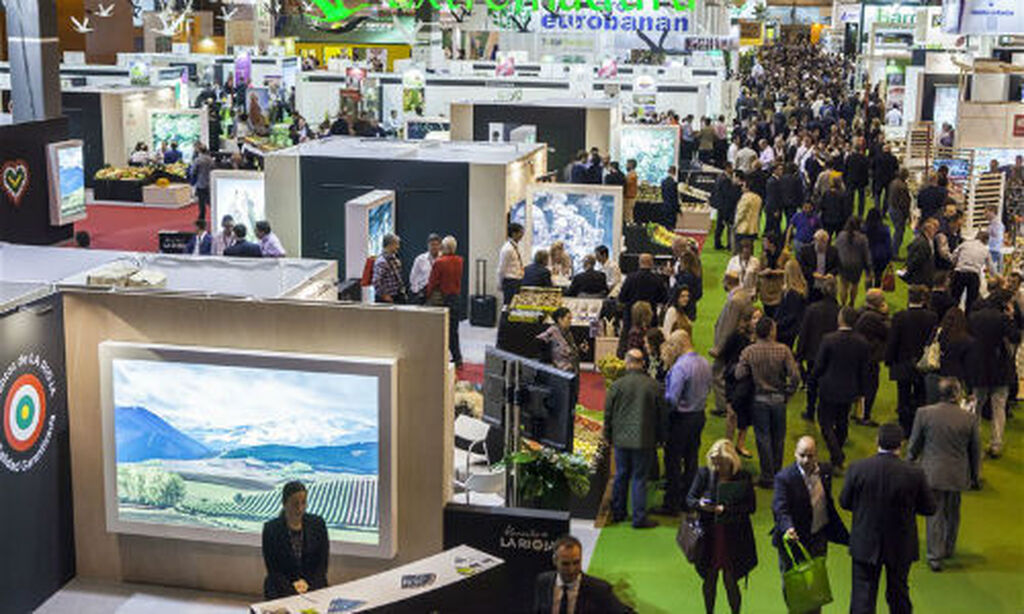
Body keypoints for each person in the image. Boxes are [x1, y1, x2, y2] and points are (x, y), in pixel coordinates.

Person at [840, 423, 937, 614]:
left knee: (863, 597)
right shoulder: (914, 473)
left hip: (865, 542)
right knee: (898, 594)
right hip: (900, 544)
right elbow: (929, 508)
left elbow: (845, 502)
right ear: (901, 444)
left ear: (877, 441)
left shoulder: (858, 468)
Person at [908, 377, 981, 573]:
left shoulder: (924, 413)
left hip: (932, 473)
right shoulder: (969, 418)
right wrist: (975, 476)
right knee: (953, 512)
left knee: (934, 514)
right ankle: (949, 548)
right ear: (957, 394)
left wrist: (909, 462)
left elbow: (914, 444)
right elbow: (975, 451)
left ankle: (935, 555)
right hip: (957, 473)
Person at [772, 436, 849, 614]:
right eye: (802, 455)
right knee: (794, 589)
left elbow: (827, 502)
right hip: (794, 541)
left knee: (816, 587)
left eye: (810, 455)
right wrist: (788, 528)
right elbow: (780, 508)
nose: (806, 460)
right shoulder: (784, 478)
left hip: (818, 537)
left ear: (817, 455)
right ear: (795, 454)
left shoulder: (825, 471)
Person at [686, 439, 757, 614]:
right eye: (715, 463)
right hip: (709, 536)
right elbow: (690, 499)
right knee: (709, 578)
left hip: (733, 536)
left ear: (732, 461)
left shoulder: (743, 477)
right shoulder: (704, 473)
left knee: (730, 580)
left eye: (722, 464)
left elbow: (750, 507)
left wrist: (726, 509)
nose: (717, 468)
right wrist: (701, 504)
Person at [651, 330, 712, 517]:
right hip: (699, 415)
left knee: (673, 460)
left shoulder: (680, 367)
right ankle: (688, 499)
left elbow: (672, 399)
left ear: (678, 345)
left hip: (681, 419)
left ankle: (671, 503)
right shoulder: (704, 363)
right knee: (691, 458)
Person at [736, 316, 801, 487]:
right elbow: (795, 376)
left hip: (759, 399)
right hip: (779, 399)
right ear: (772, 331)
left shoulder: (749, 351)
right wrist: (789, 393)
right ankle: (777, 472)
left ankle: (767, 475)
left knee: (763, 438)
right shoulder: (784, 350)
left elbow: (739, 374)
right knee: (778, 438)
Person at [605, 349, 664, 529]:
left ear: (627, 362)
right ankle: (639, 517)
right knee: (639, 478)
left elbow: (608, 414)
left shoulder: (617, 385)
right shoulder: (654, 386)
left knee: (621, 474)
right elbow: (662, 415)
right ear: (642, 363)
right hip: (644, 439)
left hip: (621, 439)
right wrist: (661, 437)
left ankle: (618, 512)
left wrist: (607, 435)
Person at [814, 307, 871, 469]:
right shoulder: (862, 342)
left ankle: (837, 454)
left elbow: (819, 365)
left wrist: (813, 380)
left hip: (829, 387)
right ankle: (837, 454)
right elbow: (864, 370)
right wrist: (861, 391)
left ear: (841, 319)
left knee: (825, 422)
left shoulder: (828, 339)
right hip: (850, 388)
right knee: (842, 421)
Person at [966, 290, 1021, 458]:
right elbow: (1016, 337)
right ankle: (996, 444)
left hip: (979, 367)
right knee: (998, 407)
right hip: (1000, 368)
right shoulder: (1003, 318)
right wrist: (1011, 318)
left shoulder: (974, 317)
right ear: (1004, 303)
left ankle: (974, 444)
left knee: (976, 406)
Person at [886, 285, 939, 437]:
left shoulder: (899, 317)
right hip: (923, 363)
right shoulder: (932, 317)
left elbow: (893, 341)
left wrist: (889, 360)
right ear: (923, 299)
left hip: (902, 363)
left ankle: (905, 428)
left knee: (903, 397)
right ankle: (918, 427)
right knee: (920, 396)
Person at [262, 481, 328, 599]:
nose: (300, 508)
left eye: (303, 503)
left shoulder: (318, 524)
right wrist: (293, 591)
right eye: (295, 504)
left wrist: (308, 587)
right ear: (284, 503)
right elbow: (273, 569)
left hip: (313, 585)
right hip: (281, 587)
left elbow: (322, 565)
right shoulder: (271, 529)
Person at [532, 535, 628, 614]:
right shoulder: (543, 582)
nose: (571, 569)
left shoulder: (599, 590)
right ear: (555, 561)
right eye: (565, 564)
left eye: (576, 562)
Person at [796, 276, 840, 422]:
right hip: (832, 356)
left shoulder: (812, 309)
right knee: (829, 385)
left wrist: (799, 355)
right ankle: (826, 414)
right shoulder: (840, 311)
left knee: (812, 383)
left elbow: (804, 333)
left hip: (813, 354)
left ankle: (810, 411)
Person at [711, 272, 754, 417]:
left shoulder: (735, 300)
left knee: (718, 373)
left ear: (727, 282)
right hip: (738, 343)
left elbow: (729, 326)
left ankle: (723, 406)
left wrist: (719, 348)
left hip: (729, 345)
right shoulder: (744, 295)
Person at [720, 307, 760, 458]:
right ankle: (728, 444)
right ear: (747, 320)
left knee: (747, 414)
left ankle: (740, 444)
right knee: (732, 413)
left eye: (759, 318)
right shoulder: (736, 336)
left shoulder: (761, 339)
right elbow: (725, 356)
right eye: (754, 318)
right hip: (734, 380)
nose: (757, 322)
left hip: (750, 382)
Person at [617, 253, 667, 357]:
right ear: (652, 263)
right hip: (650, 319)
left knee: (627, 347)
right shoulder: (657, 279)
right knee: (651, 347)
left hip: (630, 319)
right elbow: (664, 299)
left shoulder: (630, 278)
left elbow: (622, 298)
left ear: (639, 263)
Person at [425, 235, 464, 367]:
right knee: (453, 330)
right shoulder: (460, 260)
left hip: (442, 299)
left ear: (443, 247)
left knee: (439, 330)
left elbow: (432, 282)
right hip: (456, 297)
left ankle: (439, 359)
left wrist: (427, 295)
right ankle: (457, 358)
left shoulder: (439, 262)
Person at [854, 289, 890, 426]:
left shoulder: (859, 311)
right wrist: (886, 314)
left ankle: (858, 412)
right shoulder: (875, 317)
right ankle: (864, 416)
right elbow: (888, 331)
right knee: (870, 387)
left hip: (858, 355)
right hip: (870, 356)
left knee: (860, 385)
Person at [950, 230, 995, 313]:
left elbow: (953, 257)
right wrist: (995, 276)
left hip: (960, 272)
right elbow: (991, 267)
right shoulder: (985, 250)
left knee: (955, 298)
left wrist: (955, 265)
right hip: (973, 275)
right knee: (971, 302)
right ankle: (968, 318)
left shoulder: (965, 244)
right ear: (986, 240)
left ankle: (952, 316)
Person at [835, 216, 872, 306]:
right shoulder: (862, 238)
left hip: (843, 263)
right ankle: (852, 302)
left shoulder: (841, 235)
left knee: (843, 285)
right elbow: (866, 253)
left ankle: (843, 304)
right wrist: (868, 267)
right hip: (857, 265)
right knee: (854, 285)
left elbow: (836, 248)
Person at [537, 307, 584, 375]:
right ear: (560, 319)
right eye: (568, 318)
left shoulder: (568, 332)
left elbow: (571, 350)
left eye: (571, 318)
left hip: (572, 370)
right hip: (560, 372)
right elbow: (538, 340)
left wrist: (580, 348)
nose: (570, 321)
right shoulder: (553, 331)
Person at [797, 229, 839, 301]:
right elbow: (801, 266)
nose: (823, 244)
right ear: (815, 240)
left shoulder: (833, 251)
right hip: (811, 285)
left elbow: (837, 266)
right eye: (821, 241)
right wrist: (812, 273)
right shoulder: (805, 251)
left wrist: (831, 274)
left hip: (826, 285)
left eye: (824, 242)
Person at [775, 259, 807, 349]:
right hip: (790, 329)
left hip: (786, 330)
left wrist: (777, 324)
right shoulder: (799, 290)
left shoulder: (793, 294)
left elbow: (791, 314)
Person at [711, 164, 742, 250]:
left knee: (720, 225)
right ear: (727, 168)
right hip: (725, 206)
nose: (732, 169)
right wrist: (736, 187)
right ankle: (728, 244)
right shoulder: (725, 180)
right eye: (731, 167)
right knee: (727, 226)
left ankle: (718, 243)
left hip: (720, 205)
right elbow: (728, 193)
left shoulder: (720, 177)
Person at [903, 217, 938, 287]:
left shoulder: (928, 240)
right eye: (935, 228)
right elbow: (916, 260)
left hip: (922, 277)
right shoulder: (922, 243)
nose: (936, 231)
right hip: (919, 279)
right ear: (929, 229)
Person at [372, 233, 406, 303]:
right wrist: (384, 295)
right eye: (396, 244)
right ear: (390, 245)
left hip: (396, 296)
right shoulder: (381, 261)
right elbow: (376, 281)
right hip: (386, 299)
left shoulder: (394, 259)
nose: (398, 247)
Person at [409, 233, 442, 304]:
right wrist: (416, 291)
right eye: (432, 245)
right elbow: (413, 277)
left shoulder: (443, 259)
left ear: (440, 246)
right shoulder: (420, 259)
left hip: (439, 293)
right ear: (428, 245)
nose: (434, 247)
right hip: (423, 294)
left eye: (436, 245)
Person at [863, 208, 892, 288]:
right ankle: (876, 290)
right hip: (881, 256)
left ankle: (868, 291)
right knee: (878, 276)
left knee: (868, 275)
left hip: (868, 255)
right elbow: (888, 244)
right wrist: (889, 257)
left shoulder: (864, 229)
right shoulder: (885, 229)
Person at [498, 222, 525, 305]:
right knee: (508, 305)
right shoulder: (507, 249)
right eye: (520, 232)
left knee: (514, 305)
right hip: (510, 281)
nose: (522, 235)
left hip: (516, 281)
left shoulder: (515, 247)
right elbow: (501, 268)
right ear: (514, 233)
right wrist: (500, 283)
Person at [733, 172, 762, 248]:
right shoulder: (758, 198)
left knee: (740, 249)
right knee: (750, 248)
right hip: (754, 228)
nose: (742, 187)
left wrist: (735, 224)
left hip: (743, 228)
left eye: (743, 186)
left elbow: (741, 214)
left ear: (747, 187)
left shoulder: (745, 198)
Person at [672, 249, 702, 320]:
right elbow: (699, 293)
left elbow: (676, 292)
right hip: (691, 308)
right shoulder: (696, 275)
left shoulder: (685, 277)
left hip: (683, 309)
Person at [888, 167, 911, 259]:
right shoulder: (902, 186)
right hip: (898, 211)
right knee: (899, 232)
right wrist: (907, 214)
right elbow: (903, 202)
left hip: (892, 208)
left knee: (897, 231)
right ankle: (894, 253)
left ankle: (893, 250)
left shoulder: (893, 183)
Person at [190, 143, 214, 221]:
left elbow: (192, 171)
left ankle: (201, 218)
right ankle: (215, 214)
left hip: (201, 183)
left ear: (199, 151)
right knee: (210, 201)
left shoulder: (198, 160)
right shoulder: (210, 159)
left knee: (201, 202)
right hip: (209, 183)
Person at [987, 205, 1004, 273]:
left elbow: (997, 238)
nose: (985, 215)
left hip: (994, 249)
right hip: (992, 249)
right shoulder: (992, 224)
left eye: (986, 212)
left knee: (993, 270)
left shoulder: (997, 224)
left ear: (992, 212)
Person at [623, 159, 639, 224]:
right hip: (629, 196)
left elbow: (627, 182)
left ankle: (629, 225)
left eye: (627, 164)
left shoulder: (632, 175)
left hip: (630, 196)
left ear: (631, 165)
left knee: (628, 213)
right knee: (628, 213)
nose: (626, 165)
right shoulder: (630, 174)